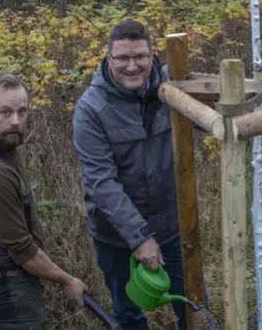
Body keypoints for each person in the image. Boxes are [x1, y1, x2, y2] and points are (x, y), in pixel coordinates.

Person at [73, 20, 191, 329]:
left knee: (193, 305)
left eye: (139, 56)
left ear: (153, 56)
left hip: (170, 226)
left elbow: (208, 117)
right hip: (116, 237)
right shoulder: (90, 110)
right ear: (108, 59)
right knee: (128, 314)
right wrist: (139, 239)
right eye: (122, 58)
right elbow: (102, 183)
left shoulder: (172, 90)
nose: (131, 66)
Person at [0, 73, 87, 329]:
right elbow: (22, 250)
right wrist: (68, 281)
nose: (16, 121)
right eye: (6, 112)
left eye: (22, 112)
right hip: (8, 288)